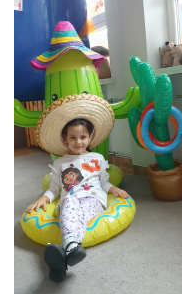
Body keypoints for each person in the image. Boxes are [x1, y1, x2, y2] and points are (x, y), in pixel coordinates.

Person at [26, 106, 130, 282]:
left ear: (90, 137)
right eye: (72, 137)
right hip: (69, 201)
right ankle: (69, 250)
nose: (78, 142)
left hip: (93, 199)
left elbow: (104, 182)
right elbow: (54, 189)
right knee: (69, 200)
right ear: (65, 138)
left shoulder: (97, 158)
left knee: (81, 208)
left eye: (83, 137)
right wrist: (44, 197)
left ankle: (66, 248)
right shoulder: (60, 163)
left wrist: (113, 189)